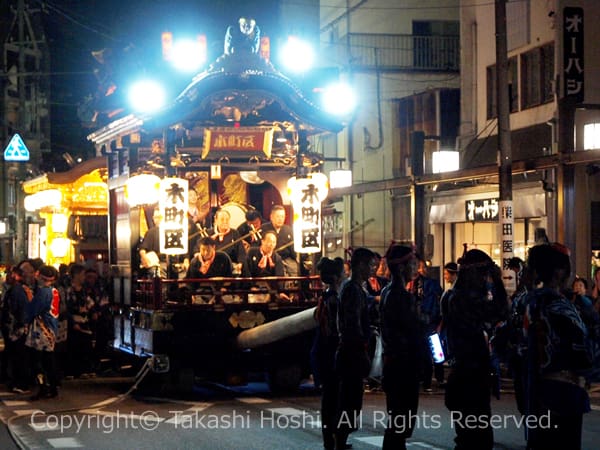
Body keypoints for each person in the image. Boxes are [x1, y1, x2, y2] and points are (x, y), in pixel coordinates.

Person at [524, 243, 592, 450]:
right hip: (564, 392)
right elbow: (584, 354)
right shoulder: (561, 307)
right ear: (560, 271)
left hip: (535, 389)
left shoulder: (526, 302)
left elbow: (507, 343)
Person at [444, 248, 508, 450]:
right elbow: (501, 310)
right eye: (483, 274)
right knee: (476, 439)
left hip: (466, 374)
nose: (485, 280)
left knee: (469, 438)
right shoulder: (463, 298)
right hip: (469, 376)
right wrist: (498, 282)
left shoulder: (453, 296)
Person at [379, 244, 421, 449]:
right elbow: (413, 332)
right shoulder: (401, 296)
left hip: (394, 363)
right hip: (403, 365)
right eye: (413, 264)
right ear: (402, 267)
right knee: (400, 422)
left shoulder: (387, 291)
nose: (417, 268)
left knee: (397, 420)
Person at [334, 247, 376, 450]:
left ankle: (340, 439)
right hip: (352, 351)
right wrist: (361, 350)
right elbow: (352, 324)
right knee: (349, 400)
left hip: (352, 350)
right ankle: (340, 439)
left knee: (350, 399)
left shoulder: (355, 289)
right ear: (360, 265)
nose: (372, 269)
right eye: (370, 265)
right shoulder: (352, 290)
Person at [312, 256, 345, 450]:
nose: (344, 275)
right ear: (336, 277)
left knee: (329, 399)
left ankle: (329, 439)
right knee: (334, 399)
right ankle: (332, 439)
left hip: (324, 350)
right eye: (342, 273)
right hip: (331, 351)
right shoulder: (333, 298)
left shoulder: (326, 295)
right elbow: (335, 328)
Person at [407, 257, 443, 392]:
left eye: (418, 265)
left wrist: (440, 322)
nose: (417, 268)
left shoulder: (430, 283)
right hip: (415, 324)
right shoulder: (406, 283)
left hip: (430, 322)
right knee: (420, 353)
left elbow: (441, 301)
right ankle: (423, 379)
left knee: (434, 351)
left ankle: (437, 378)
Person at [25, 265, 61, 400]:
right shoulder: (54, 291)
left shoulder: (43, 292)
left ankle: (43, 387)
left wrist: (29, 298)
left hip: (42, 330)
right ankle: (53, 386)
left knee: (37, 360)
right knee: (48, 360)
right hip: (51, 328)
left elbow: (33, 310)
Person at [1, 260, 36, 393]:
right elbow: (21, 310)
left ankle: (20, 381)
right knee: (18, 356)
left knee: (20, 356)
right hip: (16, 329)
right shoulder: (18, 289)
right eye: (30, 272)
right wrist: (24, 322)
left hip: (17, 328)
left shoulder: (23, 288)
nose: (32, 275)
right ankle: (18, 383)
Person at [261, 205, 298, 276]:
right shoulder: (264, 228)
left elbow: (292, 248)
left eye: (282, 216)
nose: (280, 219)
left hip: (286, 258)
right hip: (270, 258)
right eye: (278, 216)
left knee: (296, 270)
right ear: (271, 217)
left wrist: (296, 258)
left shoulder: (288, 229)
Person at [207, 208, 246, 274]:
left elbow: (241, 250)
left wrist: (241, 262)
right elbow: (198, 249)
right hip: (212, 265)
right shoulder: (209, 233)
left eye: (227, 220)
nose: (225, 222)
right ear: (216, 220)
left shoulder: (235, 233)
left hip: (231, 265)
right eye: (222, 219)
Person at [139, 207, 166, 277]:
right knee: (157, 273)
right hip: (157, 263)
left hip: (174, 263)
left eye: (160, 217)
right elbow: (142, 249)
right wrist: (145, 259)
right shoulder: (151, 232)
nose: (158, 219)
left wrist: (186, 260)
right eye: (156, 217)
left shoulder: (173, 230)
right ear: (153, 219)